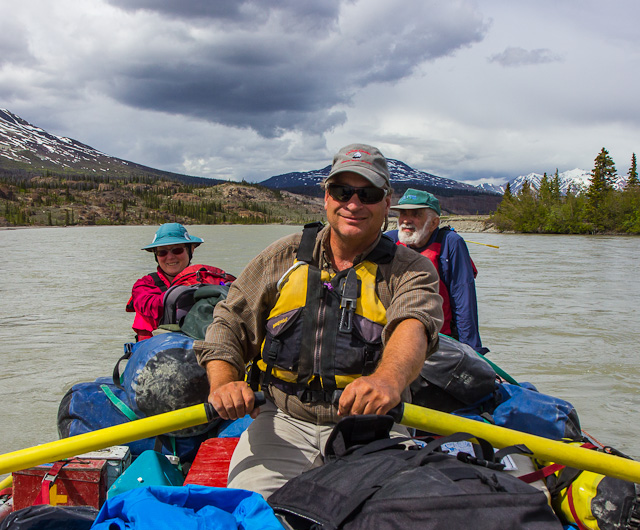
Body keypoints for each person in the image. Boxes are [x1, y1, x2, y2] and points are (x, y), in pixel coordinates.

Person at [196, 144, 444, 498]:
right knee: (256, 515)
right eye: (343, 191)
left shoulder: (411, 269)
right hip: (280, 419)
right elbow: (228, 324)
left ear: (387, 202)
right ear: (326, 198)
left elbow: (414, 324)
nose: (354, 204)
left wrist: (388, 380)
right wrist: (223, 383)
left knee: (386, 515)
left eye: (368, 194)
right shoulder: (282, 256)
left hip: (372, 427)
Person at [385, 189, 489, 354]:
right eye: (402, 214)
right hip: (397, 338)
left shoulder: (451, 243)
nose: (405, 220)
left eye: (415, 215)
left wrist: (472, 353)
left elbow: (464, 301)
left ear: (434, 223)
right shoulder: (389, 241)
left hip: (440, 343)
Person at [126, 223, 233, 341]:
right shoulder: (144, 285)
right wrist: (185, 290)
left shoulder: (213, 279)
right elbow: (149, 305)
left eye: (177, 250)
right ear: (156, 255)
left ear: (191, 250)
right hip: (157, 354)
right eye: (162, 252)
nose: (170, 257)